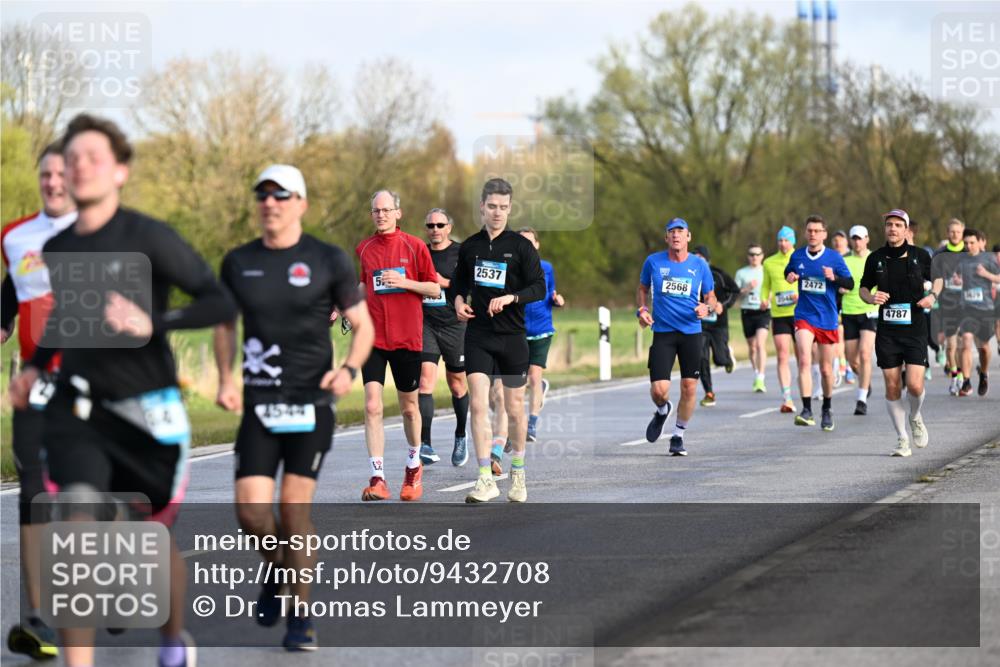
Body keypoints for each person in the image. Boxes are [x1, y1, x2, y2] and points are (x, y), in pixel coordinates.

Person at [9, 113, 238, 667]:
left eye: (94, 156)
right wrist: (36, 367)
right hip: (80, 410)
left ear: (120, 172)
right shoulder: (59, 249)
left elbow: (218, 301)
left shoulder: (149, 237)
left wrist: (153, 325)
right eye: (73, 157)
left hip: (148, 412)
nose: (79, 166)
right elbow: (69, 317)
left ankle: (172, 637)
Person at [214, 164, 374, 650]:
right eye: (263, 196)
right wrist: (225, 378)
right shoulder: (238, 261)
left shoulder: (326, 259)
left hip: (310, 403)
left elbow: (362, 326)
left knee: (293, 509)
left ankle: (301, 616)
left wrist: (347, 371)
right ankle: (277, 567)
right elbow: (224, 324)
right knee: (252, 515)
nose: (271, 204)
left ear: (300, 203)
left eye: (281, 196)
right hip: (260, 403)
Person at [1, 141, 77, 662]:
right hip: (34, 383)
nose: (52, 182)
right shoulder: (16, 237)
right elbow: (11, 296)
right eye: (45, 174)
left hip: (92, 383)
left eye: (61, 174)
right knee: (34, 492)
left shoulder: (102, 232)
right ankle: (34, 616)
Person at [451, 178, 546, 503]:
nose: (497, 213)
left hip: (512, 337)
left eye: (504, 208)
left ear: (510, 208)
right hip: (478, 335)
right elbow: (457, 284)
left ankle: (517, 472)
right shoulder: (471, 246)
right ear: (482, 206)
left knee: (515, 408)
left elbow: (539, 287)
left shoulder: (520, 247)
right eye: (492, 206)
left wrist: (511, 298)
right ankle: (483, 479)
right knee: (478, 405)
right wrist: (458, 302)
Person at [356, 190, 441, 501]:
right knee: (371, 405)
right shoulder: (364, 249)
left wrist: (405, 283)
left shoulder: (415, 247)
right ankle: (377, 477)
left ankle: (413, 466)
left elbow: (433, 288)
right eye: (376, 210)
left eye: (387, 210)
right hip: (373, 338)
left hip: (406, 338)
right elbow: (364, 284)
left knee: (408, 408)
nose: (381, 215)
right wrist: (347, 309)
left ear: (398, 213)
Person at [859, 209, 939, 456]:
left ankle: (915, 416)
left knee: (914, 385)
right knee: (892, 385)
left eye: (897, 225)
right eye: (889, 225)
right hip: (887, 331)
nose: (892, 229)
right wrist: (871, 297)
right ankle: (902, 439)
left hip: (915, 328)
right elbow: (863, 287)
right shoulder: (876, 258)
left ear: (906, 230)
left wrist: (933, 296)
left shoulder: (921, 256)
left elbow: (939, 279)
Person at [637, 218, 717, 455]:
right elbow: (642, 289)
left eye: (680, 232)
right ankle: (662, 410)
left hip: (691, 332)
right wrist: (642, 310)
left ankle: (678, 435)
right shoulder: (653, 262)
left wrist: (707, 308)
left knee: (689, 387)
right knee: (659, 391)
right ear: (666, 238)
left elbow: (711, 297)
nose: (676, 235)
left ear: (688, 237)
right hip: (663, 332)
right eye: (671, 232)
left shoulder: (700, 266)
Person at [783, 215, 854, 431]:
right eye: (809, 230)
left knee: (825, 369)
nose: (813, 234)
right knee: (804, 359)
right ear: (805, 233)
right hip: (804, 315)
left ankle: (826, 407)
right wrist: (790, 276)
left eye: (817, 231)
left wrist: (834, 278)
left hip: (828, 318)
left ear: (824, 234)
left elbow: (849, 283)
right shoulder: (797, 256)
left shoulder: (834, 258)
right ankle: (806, 410)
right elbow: (788, 271)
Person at [416, 208, 471, 466]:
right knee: (425, 381)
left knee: (457, 383)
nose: (435, 230)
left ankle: (460, 435)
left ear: (448, 227)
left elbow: (471, 285)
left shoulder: (462, 252)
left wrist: (443, 283)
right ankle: (425, 444)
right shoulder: (419, 251)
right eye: (430, 225)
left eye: (440, 225)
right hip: (426, 323)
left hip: (454, 324)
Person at [519, 227, 565, 441]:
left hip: (541, 329)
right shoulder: (510, 270)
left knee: (534, 376)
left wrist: (557, 301)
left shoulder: (547, 268)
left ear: (537, 245)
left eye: (530, 242)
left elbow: (551, 292)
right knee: (515, 382)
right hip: (516, 330)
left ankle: (532, 424)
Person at [955, 229, 1000, 397]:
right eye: (965, 243)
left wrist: (986, 274)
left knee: (984, 348)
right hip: (967, 308)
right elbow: (957, 276)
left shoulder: (989, 258)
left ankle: (984, 373)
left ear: (980, 242)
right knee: (966, 339)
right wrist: (958, 280)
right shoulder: (962, 259)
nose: (968, 246)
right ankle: (966, 382)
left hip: (986, 309)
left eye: (971, 243)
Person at [840, 225, 878, 415]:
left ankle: (861, 398)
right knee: (852, 360)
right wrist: (840, 287)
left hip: (869, 311)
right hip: (848, 311)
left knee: (865, 354)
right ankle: (865, 380)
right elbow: (837, 281)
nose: (857, 242)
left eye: (860, 238)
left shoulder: (875, 259)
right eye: (854, 238)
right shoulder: (844, 260)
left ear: (867, 239)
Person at [692, 244, 737, 406]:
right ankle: (709, 392)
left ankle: (727, 358)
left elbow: (735, 290)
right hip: (699, 325)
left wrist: (723, 305)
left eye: (700, 258)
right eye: (694, 258)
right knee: (701, 358)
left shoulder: (718, 274)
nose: (697, 262)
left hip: (718, 324)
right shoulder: (689, 275)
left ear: (707, 260)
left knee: (719, 359)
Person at [761, 226, 800, 412]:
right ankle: (787, 397)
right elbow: (765, 286)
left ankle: (807, 386)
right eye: (780, 240)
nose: (783, 244)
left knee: (803, 355)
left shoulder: (801, 257)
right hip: (779, 314)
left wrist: (800, 295)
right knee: (782, 354)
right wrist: (763, 298)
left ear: (792, 241)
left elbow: (810, 282)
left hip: (800, 313)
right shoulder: (769, 262)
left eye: (786, 240)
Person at [932, 218, 967, 394]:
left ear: (963, 233)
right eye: (952, 231)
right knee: (952, 346)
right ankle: (956, 376)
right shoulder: (939, 254)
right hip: (947, 304)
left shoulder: (969, 252)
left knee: (963, 343)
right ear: (947, 233)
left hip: (967, 305)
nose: (955, 235)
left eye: (958, 232)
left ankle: (963, 376)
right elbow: (933, 276)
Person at [735, 243, 770, 392]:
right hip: (747, 311)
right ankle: (756, 372)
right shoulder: (741, 273)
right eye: (751, 254)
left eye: (757, 254)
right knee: (752, 346)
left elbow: (774, 288)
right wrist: (747, 288)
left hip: (763, 311)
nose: (754, 257)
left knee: (761, 344)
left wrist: (768, 299)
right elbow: (736, 294)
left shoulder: (766, 270)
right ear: (748, 256)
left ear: (762, 256)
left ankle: (761, 378)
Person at [831, 230, 850, 385]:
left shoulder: (850, 257)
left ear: (846, 242)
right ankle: (842, 363)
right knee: (838, 334)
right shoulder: (830, 258)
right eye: (835, 241)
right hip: (835, 300)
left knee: (845, 337)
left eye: (840, 240)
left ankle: (846, 364)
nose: (838, 243)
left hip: (850, 302)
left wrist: (847, 287)